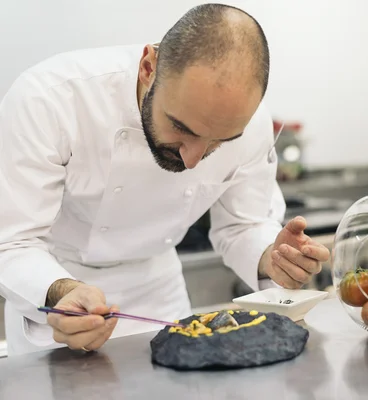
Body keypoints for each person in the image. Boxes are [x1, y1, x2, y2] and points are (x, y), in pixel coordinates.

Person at [0, 3, 330, 356]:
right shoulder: (50, 100)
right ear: (148, 68)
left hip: (160, 302)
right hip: (55, 304)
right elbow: (12, 243)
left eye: (219, 142)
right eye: (181, 128)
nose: (192, 160)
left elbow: (243, 226)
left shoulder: (250, 124)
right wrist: (60, 291)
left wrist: (274, 258)